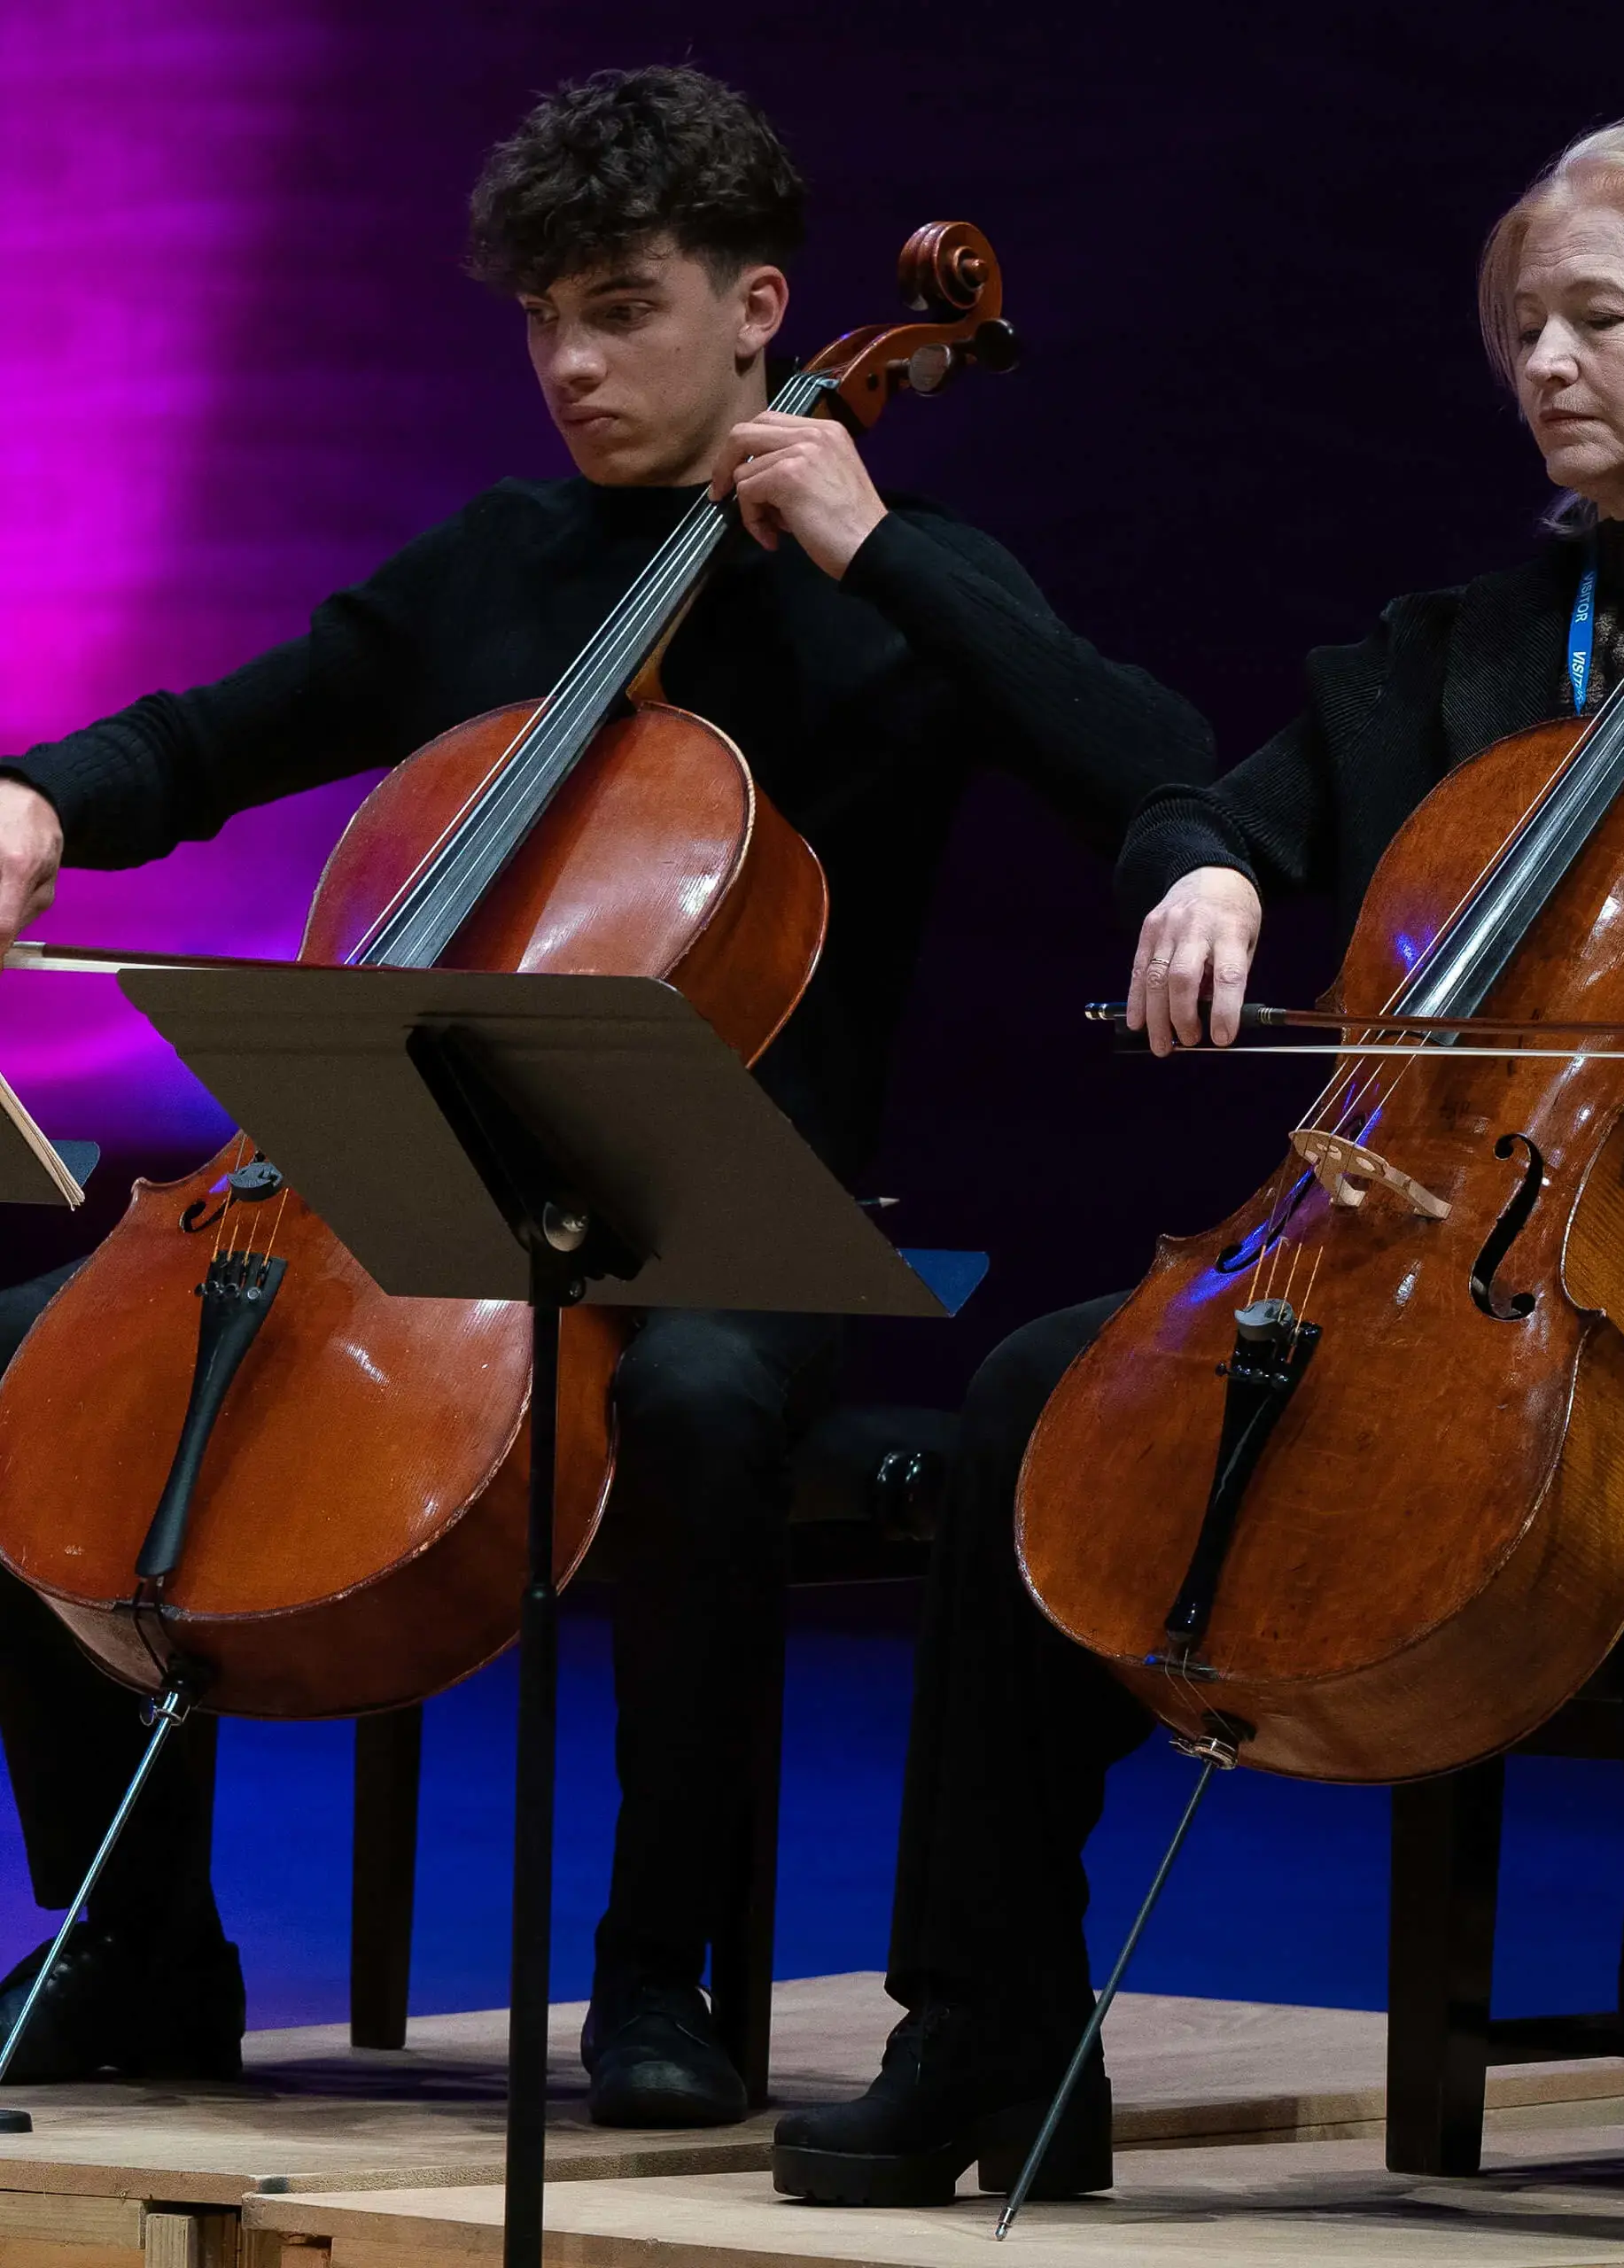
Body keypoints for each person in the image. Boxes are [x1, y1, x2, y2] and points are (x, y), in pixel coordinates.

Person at [0, 66, 1214, 2124]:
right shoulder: (499, 560)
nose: (570, 363)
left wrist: (879, 545)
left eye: (621, 310)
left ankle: (666, 1969)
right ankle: (141, 1939)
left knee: (701, 1398)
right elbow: (229, 728)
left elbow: (1144, 755)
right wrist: (40, 795)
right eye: (542, 318)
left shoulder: (890, 583)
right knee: (35, 1364)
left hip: (730, 1210)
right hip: (399, 1186)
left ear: (758, 308)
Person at [773, 114, 1624, 2246]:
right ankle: (989, 2025)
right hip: (1472, 1223)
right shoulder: (1464, 640)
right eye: (1521, 326)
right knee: (1037, 1387)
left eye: (1601, 313)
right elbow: (1232, 799)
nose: (1546, 359)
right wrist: (1196, 863)